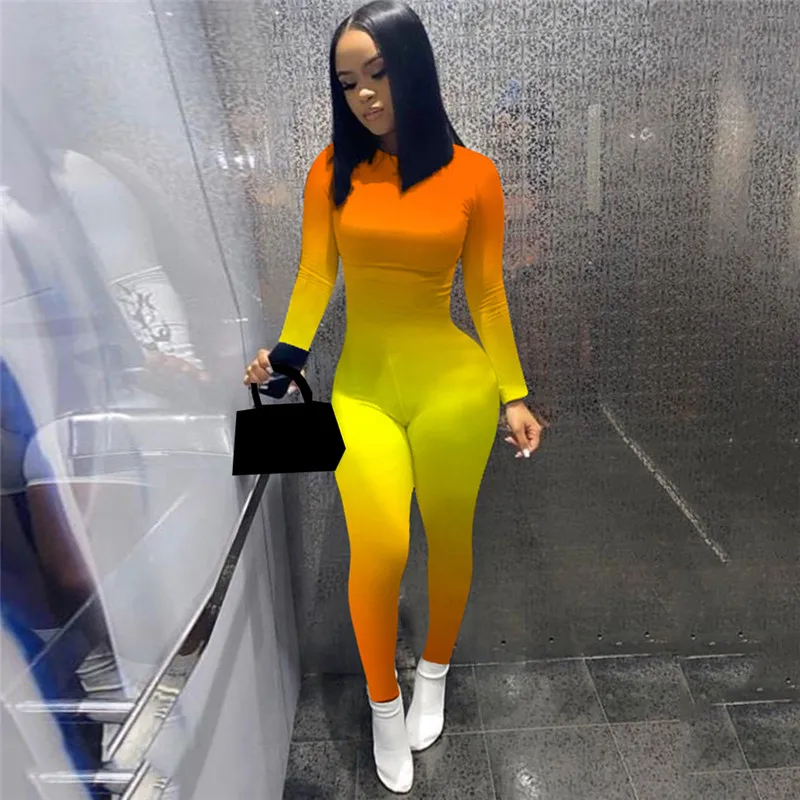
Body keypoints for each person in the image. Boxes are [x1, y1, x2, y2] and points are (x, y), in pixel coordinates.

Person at [243, 1, 546, 792]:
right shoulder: (330, 171)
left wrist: (513, 393)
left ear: (413, 68)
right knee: (379, 550)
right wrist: (285, 357)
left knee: (449, 539)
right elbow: (316, 274)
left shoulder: (475, 175)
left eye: (377, 73)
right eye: (348, 82)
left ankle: (434, 674)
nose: (365, 95)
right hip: (363, 394)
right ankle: (384, 705)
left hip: (455, 389)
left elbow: (487, 296)